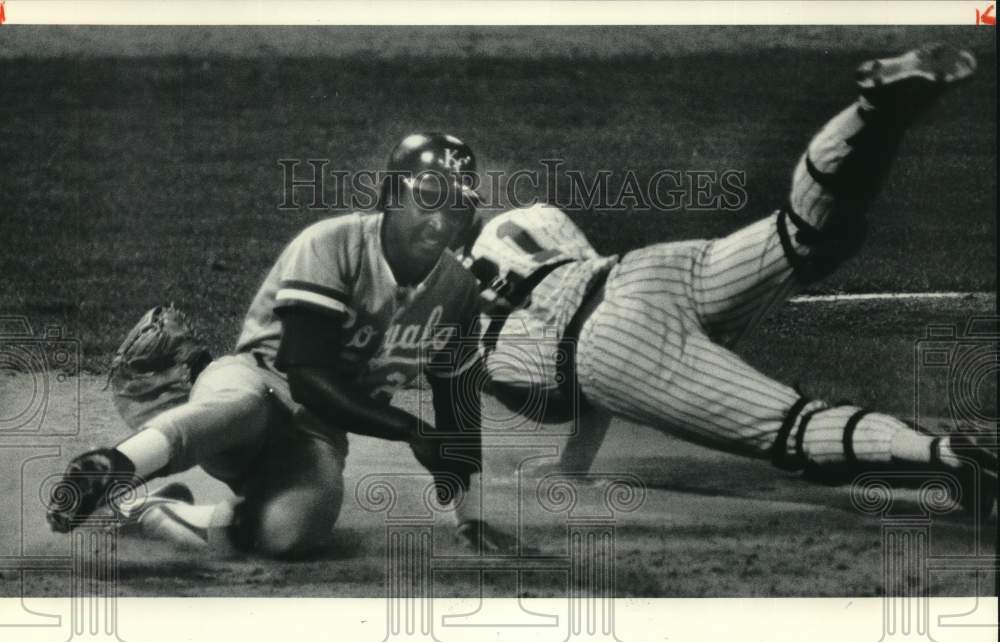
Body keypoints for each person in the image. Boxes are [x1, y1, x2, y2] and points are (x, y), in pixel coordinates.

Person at [466, 43, 997, 520]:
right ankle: (870, 112)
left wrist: (567, 472)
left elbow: (582, 369)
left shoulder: (455, 323)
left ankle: (948, 456)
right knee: (804, 233)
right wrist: (572, 465)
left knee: (796, 430)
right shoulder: (527, 219)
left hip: (616, 347)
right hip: (648, 272)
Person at [47, 132, 497, 556]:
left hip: (316, 435)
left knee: (290, 535)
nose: (440, 222)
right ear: (393, 195)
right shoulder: (333, 244)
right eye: (428, 199)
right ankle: (111, 467)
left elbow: (458, 402)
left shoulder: (458, 291)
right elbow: (305, 380)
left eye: (456, 207)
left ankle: (157, 513)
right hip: (254, 384)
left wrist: (470, 518)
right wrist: (410, 429)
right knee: (246, 403)